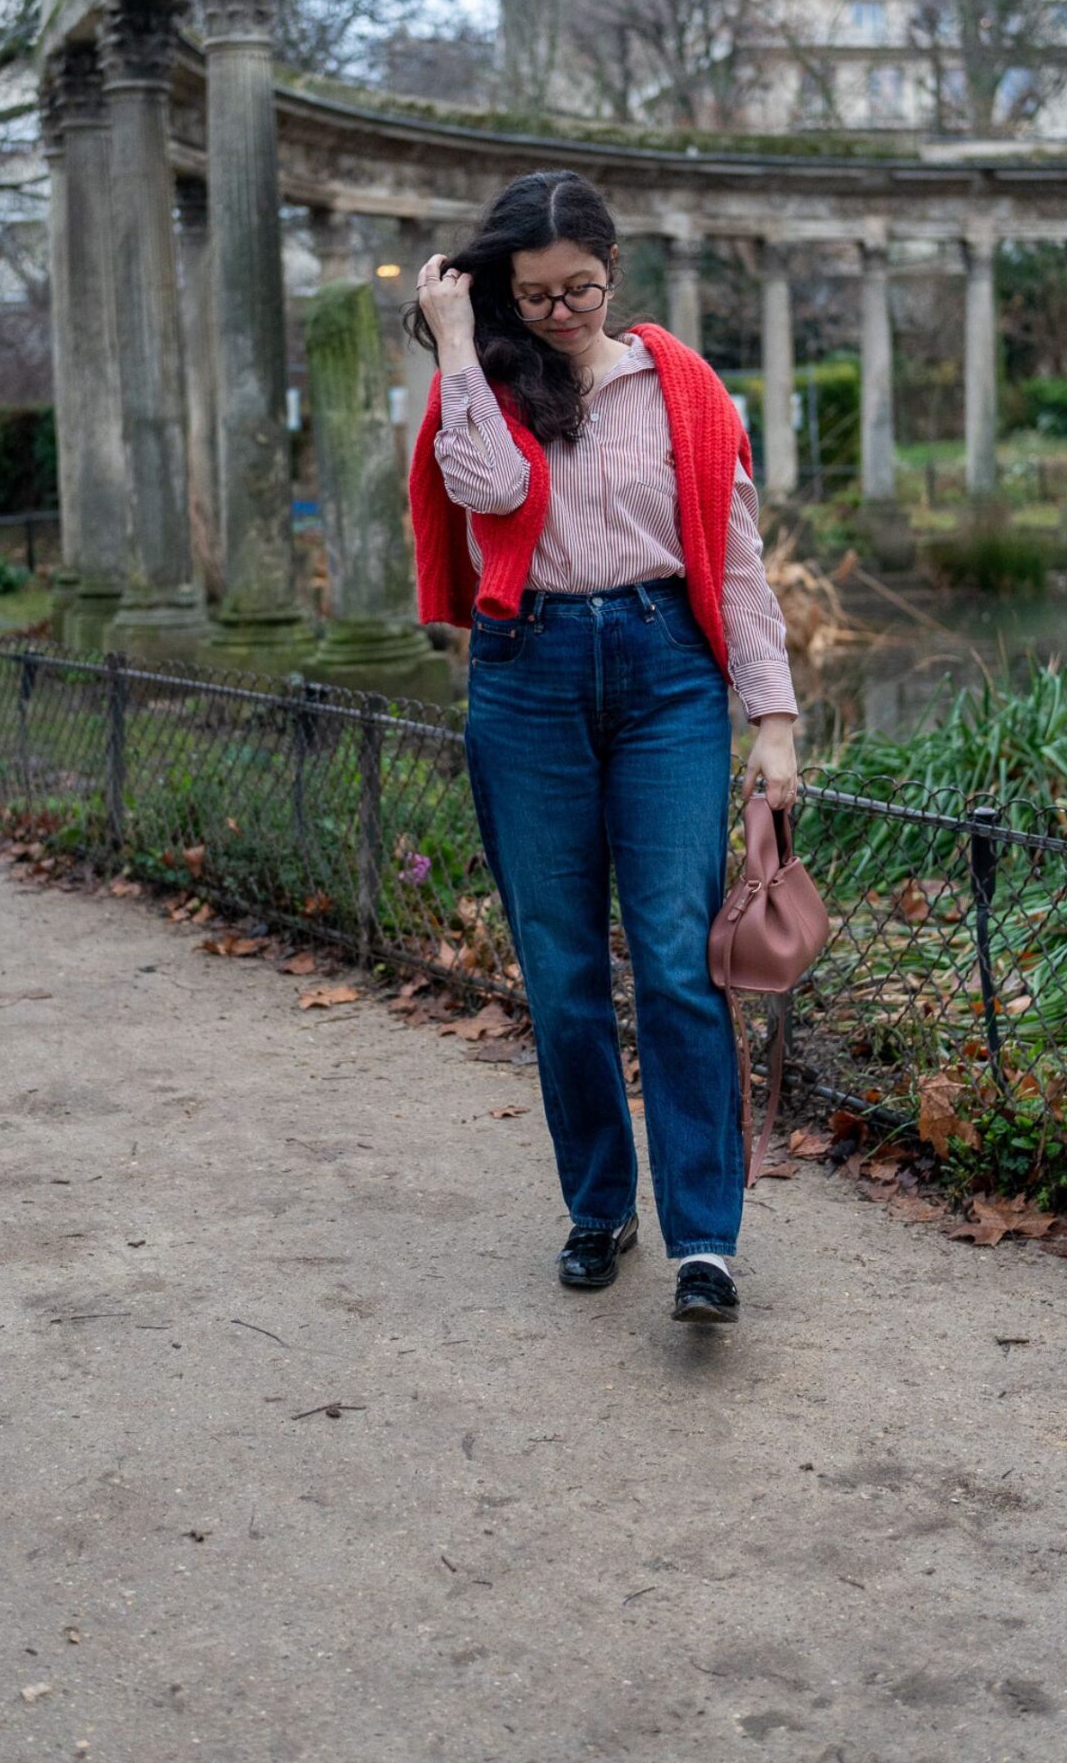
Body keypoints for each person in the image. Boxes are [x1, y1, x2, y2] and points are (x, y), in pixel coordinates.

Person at [405, 169, 799, 1326]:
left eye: (581, 287)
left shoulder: (679, 384)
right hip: (528, 679)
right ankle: (598, 1206)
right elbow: (489, 488)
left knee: (678, 954)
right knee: (564, 970)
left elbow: (733, 560)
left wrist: (771, 718)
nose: (563, 311)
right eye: (533, 296)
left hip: (666, 670)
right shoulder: (481, 387)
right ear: (500, 293)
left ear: (614, 272)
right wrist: (458, 345)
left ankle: (706, 1242)